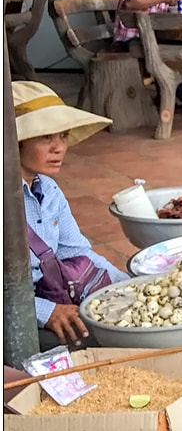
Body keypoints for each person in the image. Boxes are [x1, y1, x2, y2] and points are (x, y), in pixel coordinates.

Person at [14, 81, 129, 350]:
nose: (59, 147)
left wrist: (129, 287)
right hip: (15, 315)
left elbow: (77, 252)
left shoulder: (49, 188)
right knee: (94, 339)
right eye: (46, 137)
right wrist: (46, 312)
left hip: (51, 294)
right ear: (14, 142)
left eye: (63, 136)